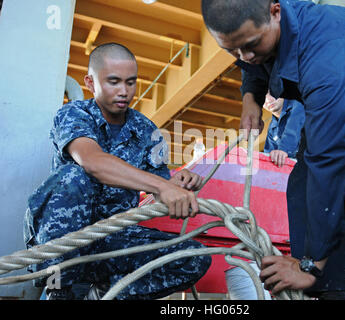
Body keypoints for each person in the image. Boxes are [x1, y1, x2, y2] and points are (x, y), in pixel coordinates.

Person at [202, 0, 345, 300]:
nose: (244, 56)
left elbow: (331, 156)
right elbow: (249, 62)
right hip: (339, 84)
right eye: (231, 49)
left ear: (275, 12)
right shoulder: (256, 35)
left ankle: (316, 271)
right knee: (303, 184)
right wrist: (250, 98)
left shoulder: (324, 46)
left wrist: (311, 264)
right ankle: (340, 289)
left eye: (250, 45)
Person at [23, 42, 212, 300]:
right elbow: (92, 161)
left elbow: (159, 191)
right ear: (90, 82)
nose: (124, 91)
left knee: (193, 258)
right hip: (65, 243)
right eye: (113, 82)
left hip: (113, 239)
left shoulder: (146, 130)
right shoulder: (74, 114)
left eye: (131, 82)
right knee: (74, 176)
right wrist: (162, 186)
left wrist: (175, 183)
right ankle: (60, 292)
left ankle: (103, 296)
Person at [262, 93, 305, 167]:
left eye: (272, 93)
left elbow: (295, 124)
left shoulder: (300, 104)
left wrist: (284, 149)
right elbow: (268, 161)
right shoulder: (272, 130)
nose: (268, 100)